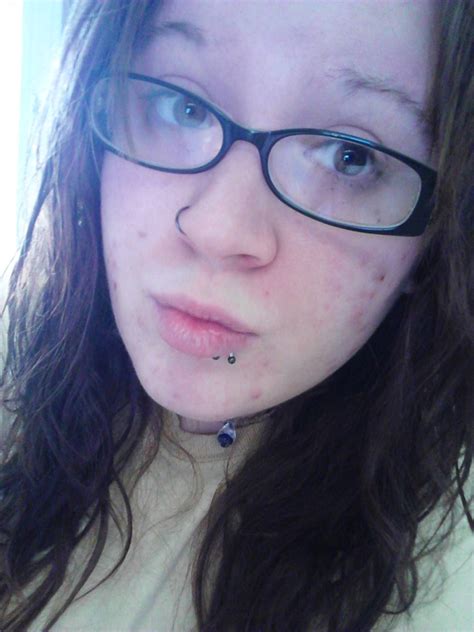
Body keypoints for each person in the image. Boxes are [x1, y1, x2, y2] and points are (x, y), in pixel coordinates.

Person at [0, 0, 472, 630]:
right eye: (183, 105)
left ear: (438, 236)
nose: (218, 229)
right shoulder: (19, 368)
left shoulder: (449, 573)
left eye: (350, 156)